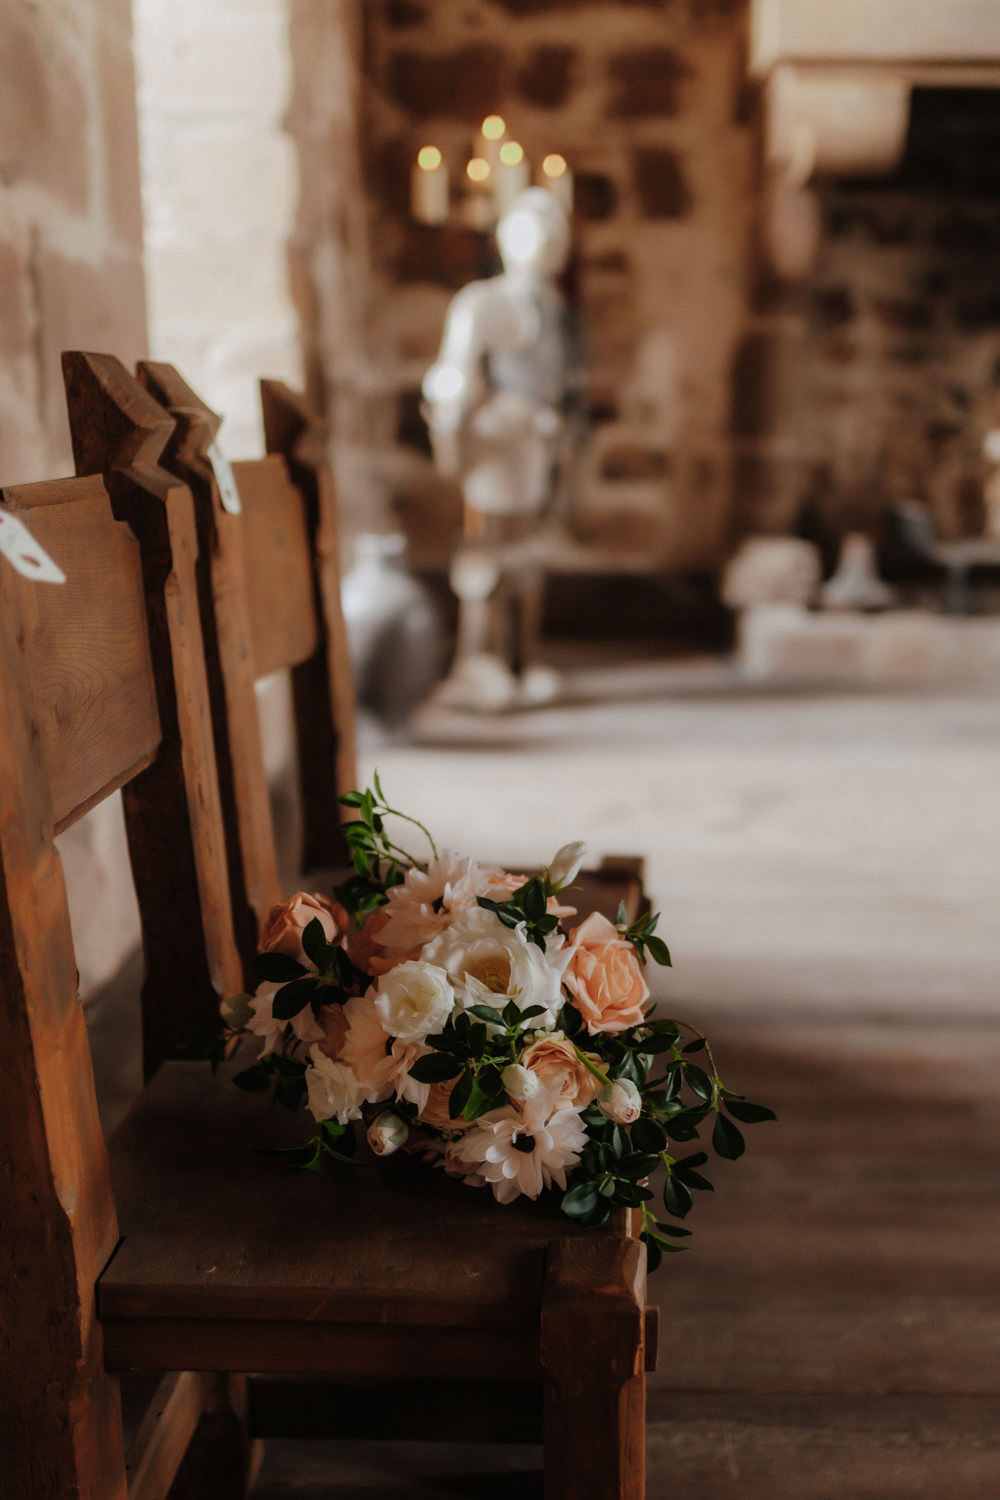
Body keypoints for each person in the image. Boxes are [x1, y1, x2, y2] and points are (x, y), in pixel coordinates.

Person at [422, 186, 583, 709]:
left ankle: (522, 659)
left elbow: (564, 383)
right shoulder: (483, 303)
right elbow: (453, 372)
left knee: (528, 557)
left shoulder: (556, 309)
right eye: (540, 234)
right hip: (496, 446)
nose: (549, 245)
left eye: (556, 236)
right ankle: (476, 660)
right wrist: (454, 427)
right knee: (483, 556)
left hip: (537, 446)